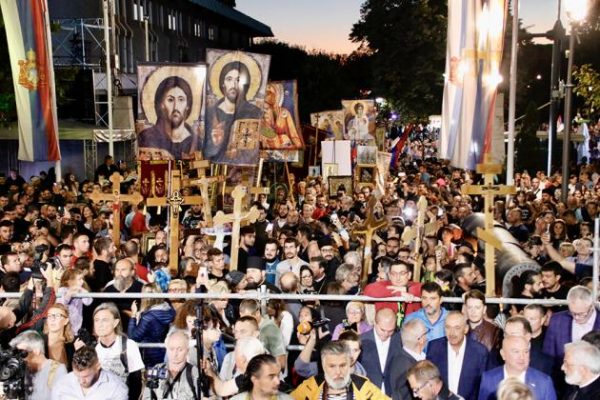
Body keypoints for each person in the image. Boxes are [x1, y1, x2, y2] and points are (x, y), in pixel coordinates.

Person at [204, 60, 263, 163]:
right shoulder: (210, 113)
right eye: (229, 79)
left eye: (238, 80)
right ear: (223, 83)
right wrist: (215, 144)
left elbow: (254, 149)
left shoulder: (254, 112)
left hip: (243, 169)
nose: (234, 84)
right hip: (215, 168)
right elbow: (205, 151)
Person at [291, 341, 387, 400]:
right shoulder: (312, 385)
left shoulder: (362, 385)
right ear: (323, 366)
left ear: (349, 364)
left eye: (342, 365)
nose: (338, 372)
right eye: (332, 366)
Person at [426, 311, 489, 400]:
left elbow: (482, 387)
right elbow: (429, 382)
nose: (452, 333)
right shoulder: (434, 348)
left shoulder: (480, 352)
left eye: (457, 328)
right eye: (448, 327)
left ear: (466, 329)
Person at [92, 302, 144, 400]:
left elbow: (136, 383)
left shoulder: (129, 345)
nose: (100, 325)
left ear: (115, 323)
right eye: (97, 320)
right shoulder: (93, 349)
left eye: (105, 320)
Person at [477, 336, 556, 400]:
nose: (522, 357)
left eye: (526, 351)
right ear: (503, 354)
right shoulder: (488, 379)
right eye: (516, 352)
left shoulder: (544, 382)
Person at [138, 76, 196, 160]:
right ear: (161, 104)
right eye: (170, 100)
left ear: (187, 105)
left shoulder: (196, 141)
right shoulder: (146, 137)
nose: (176, 107)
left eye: (181, 100)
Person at [543, 285, 600, 364]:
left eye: (582, 314)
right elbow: (548, 356)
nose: (577, 317)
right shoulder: (557, 320)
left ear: (592, 306)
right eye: (573, 313)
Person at [51, 346, 128, 400]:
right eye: (77, 375)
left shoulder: (116, 387)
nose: (81, 381)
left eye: (86, 376)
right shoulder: (61, 384)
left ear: (98, 366)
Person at [10, 330, 68, 400]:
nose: (21, 358)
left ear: (36, 350)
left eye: (23, 353)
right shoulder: (27, 369)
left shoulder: (57, 370)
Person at [142, 330, 200, 400]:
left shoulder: (194, 373)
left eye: (180, 349)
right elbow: (146, 397)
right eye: (171, 349)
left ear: (187, 350)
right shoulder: (157, 369)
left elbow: (205, 397)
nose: (175, 354)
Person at [128, 283, 176, 367]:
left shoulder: (148, 317)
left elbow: (133, 336)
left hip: (149, 355)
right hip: (164, 352)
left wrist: (133, 315)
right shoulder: (168, 309)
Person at [358, 308, 401, 396]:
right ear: (375, 323)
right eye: (382, 330)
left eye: (390, 331)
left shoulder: (400, 340)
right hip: (367, 393)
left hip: (392, 393)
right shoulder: (361, 341)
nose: (386, 334)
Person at [389, 319, 428, 400]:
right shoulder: (407, 366)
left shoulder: (401, 357)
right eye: (425, 333)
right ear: (420, 339)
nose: (427, 337)